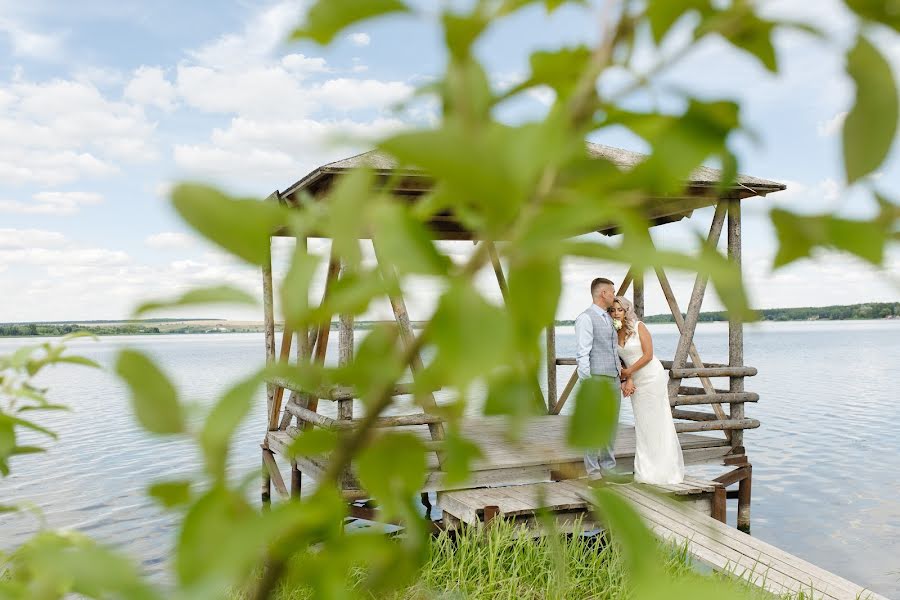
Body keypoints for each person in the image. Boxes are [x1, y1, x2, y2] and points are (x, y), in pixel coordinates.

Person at [610, 296, 685, 484]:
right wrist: (627, 379)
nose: (616, 313)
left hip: (651, 376)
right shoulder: (613, 331)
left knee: (658, 421)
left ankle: (665, 470)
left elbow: (648, 355)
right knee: (643, 423)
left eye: (620, 309)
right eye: (613, 310)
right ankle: (645, 471)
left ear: (627, 310)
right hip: (635, 380)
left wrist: (628, 373)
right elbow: (620, 360)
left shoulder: (639, 326)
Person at [575, 277, 635, 479]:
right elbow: (582, 354)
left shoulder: (610, 319)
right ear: (603, 294)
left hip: (612, 379)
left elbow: (614, 350)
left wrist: (623, 377)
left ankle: (609, 469)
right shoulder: (586, 318)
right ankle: (593, 474)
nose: (614, 295)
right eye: (612, 291)